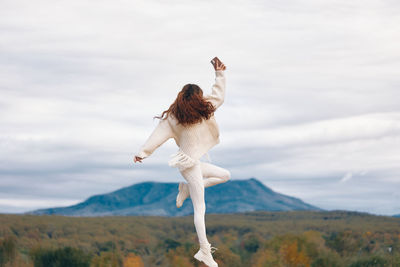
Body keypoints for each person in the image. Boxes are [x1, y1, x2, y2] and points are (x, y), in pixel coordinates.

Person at [133, 57, 230, 267]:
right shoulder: (175, 118)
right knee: (200, 208)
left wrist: (220, 74)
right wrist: (143, 152)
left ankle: (186, 190)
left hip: (193, 163)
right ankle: (205, 251)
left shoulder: (200, 111)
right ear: (197, 96)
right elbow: (157, 136)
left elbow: (218, 97)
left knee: (225, 175)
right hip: (188, 165)